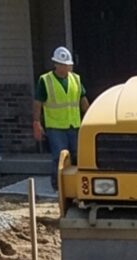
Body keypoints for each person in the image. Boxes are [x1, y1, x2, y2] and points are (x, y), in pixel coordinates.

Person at [32, 46, 85, 184]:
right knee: (59, 157)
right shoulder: (46, 80)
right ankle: (58, 184)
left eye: (68, 65)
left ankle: (74, 183)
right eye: (64, 65)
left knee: (77, 155)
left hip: (74, 125)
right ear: (56, 64)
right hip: (55, 126)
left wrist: (90, 115)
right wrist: (37, 122)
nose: (67, 68)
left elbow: (82, 100)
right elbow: (38, 102)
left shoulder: (76, 80)